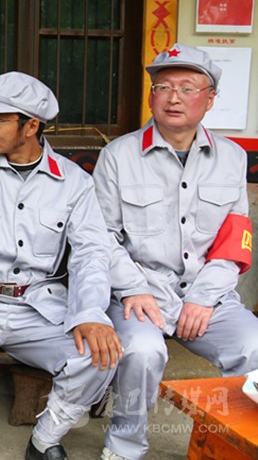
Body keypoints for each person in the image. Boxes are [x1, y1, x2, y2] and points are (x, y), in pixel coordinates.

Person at [0, 71, 122, 460]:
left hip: (40, 306)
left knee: (98, 356)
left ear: (31, 126)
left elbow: (90, 253)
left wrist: (90, 313)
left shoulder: (74, 182)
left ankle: (45, 439)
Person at [94, 44, 258, 460]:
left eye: (187, 87)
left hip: (207, 293)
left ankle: (231, 442)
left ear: (210, 98)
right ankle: (125, 446)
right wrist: (133, 288)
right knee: (142, 351)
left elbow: (234, 238)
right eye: (163, 87)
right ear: (151, 96)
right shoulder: (118, 156)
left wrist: (203, 298)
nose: (174, 97)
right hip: (140, 292)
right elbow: (101, 237)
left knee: (254, 346)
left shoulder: (232, 157)